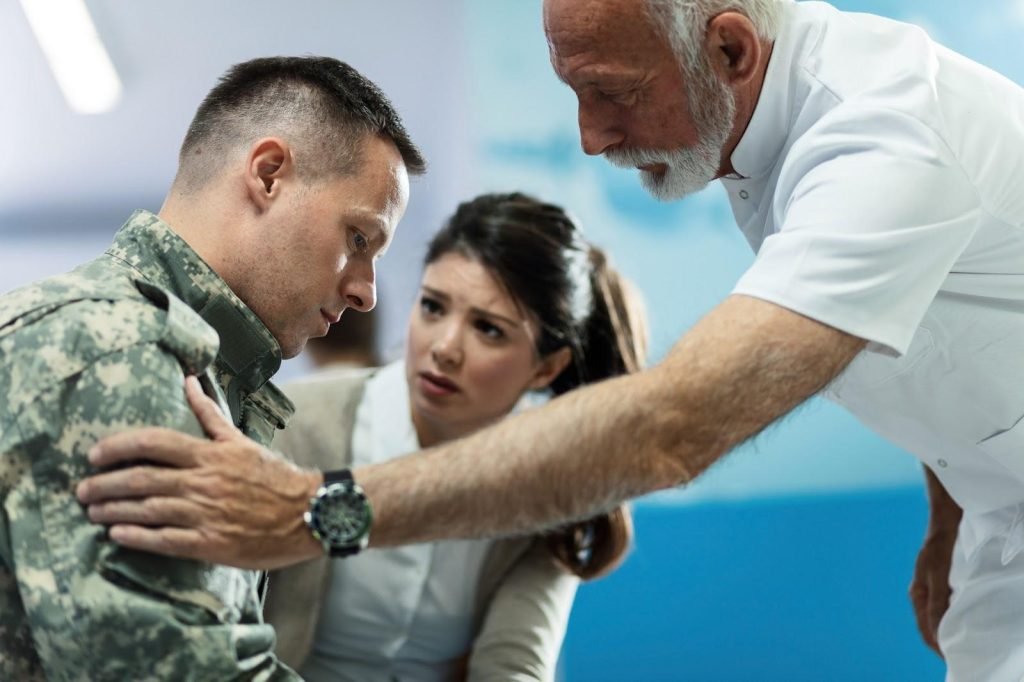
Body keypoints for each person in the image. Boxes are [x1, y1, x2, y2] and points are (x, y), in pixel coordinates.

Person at [76, 1, 1024, 679]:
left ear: (731, 49)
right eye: (574, 90)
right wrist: (951, 504)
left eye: (612, 92)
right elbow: (935, 318)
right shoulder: (769, 132)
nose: (590, 136)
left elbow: (676, 426)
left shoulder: (882, 139)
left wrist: (317, 511)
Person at [0, 55, 424, 680]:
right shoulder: (122, 352)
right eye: (359, 239)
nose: (366, 293)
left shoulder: (183, 363)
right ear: (269, 174)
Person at [267, 192, 644, 681]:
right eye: (432, 307)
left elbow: (515, 666)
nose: (444, 348)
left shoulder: (548, 482)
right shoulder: (293, 425)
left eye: (488, 329)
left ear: (547, 368)